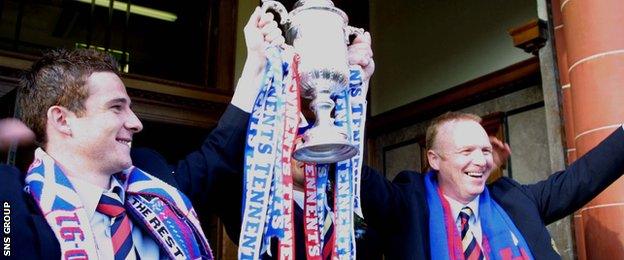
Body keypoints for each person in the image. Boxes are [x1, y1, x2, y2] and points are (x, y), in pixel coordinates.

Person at [0, 7, 283, 259]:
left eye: (130, 108)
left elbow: (218, 154)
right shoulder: (17, 209)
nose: (136, 123)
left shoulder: (153, 180)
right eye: (116, 108)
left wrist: (256, 63)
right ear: (62, 120)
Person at [359, 111, 624, 259]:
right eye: (467, 151)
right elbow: (354, 174)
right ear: (434, 159)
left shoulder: (513, 199)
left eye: (485, 150)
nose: (481, 160)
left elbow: (581, 179)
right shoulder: (407, 205)